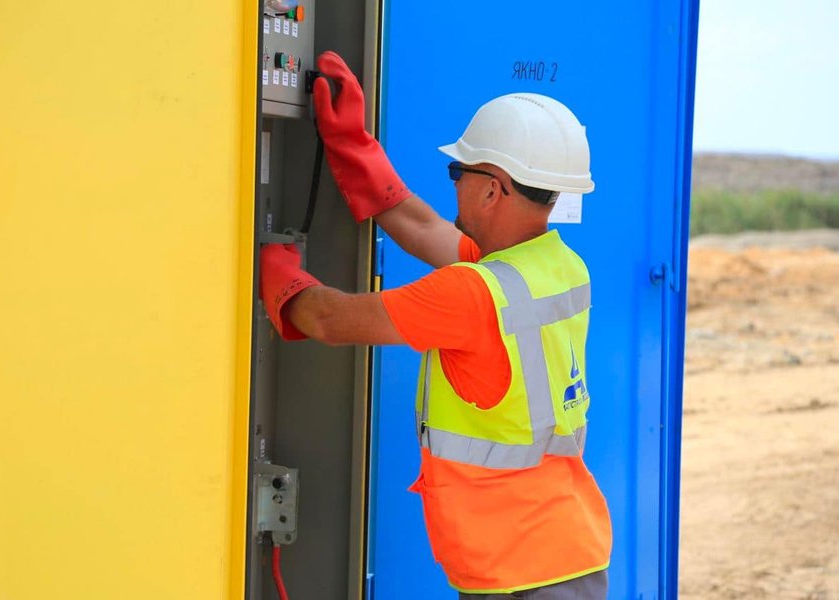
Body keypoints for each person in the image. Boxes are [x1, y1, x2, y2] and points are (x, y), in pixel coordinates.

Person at [260, 51, 613, 599]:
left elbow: (328, 319)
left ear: (493, 189)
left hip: (521, 575)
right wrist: (352, 144)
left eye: (458, 173)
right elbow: (422, 226)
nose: (453, 185)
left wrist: (264, 261)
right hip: (561, 551)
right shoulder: (554, 265)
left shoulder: (472, 294)